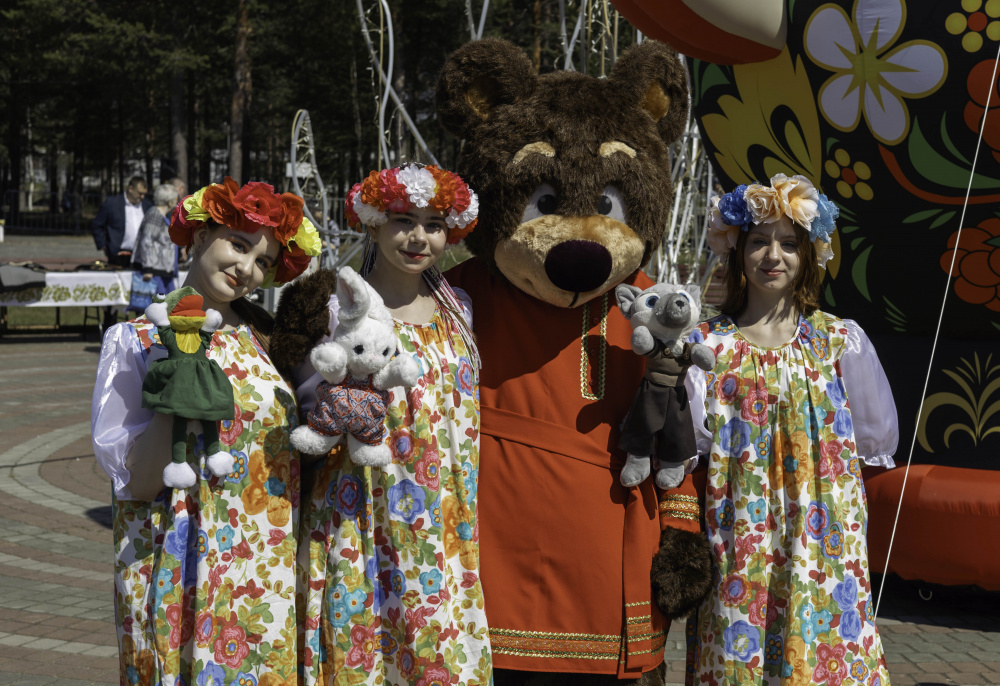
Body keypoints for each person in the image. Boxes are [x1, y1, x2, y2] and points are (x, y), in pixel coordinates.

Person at [91, 176, 321, 684]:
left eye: (262, 261)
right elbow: (136, 484)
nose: (246, 269)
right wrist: (176, 401)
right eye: (237, 244)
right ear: (198, 237)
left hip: (266, 564)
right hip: (178, 561)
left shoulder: (271, 342)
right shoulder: (136, 339)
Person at [684, 174, 898, 685]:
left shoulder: (839, 341)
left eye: (788, 243)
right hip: (743, 535)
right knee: (741, 654)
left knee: (823, 647)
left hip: (822, 535)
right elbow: (693, 446)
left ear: (809, 255)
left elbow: (871, 442)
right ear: (737, 250)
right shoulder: (708, 346)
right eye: (759, 241)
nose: (772, 255)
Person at [284, 163, 491, 685]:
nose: (418, 237)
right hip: (363, 506)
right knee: (364, 642)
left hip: (444, 515)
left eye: (434, 224)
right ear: (373, 223)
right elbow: (315, 408)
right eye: (402, 219)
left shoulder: (458, 308)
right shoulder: (338, 308)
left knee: (439, 648)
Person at [129, 183, 180, 312]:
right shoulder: (154, 215)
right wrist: (148, 268)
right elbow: (147, 241)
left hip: (163, 271)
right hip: (155, 273)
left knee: (169, 308)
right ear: (169, 201)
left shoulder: (161, 216)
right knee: (159, 311)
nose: (176, 202)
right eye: (175, 199)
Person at [92, 176, 153, 266]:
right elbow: (97, 225)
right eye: (140, 193)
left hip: (142, 254)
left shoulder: (147, 206)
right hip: (118, 254)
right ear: (131, 189)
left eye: (144, 194)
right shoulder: (112, 204)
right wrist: (103, 245)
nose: (142, 197)